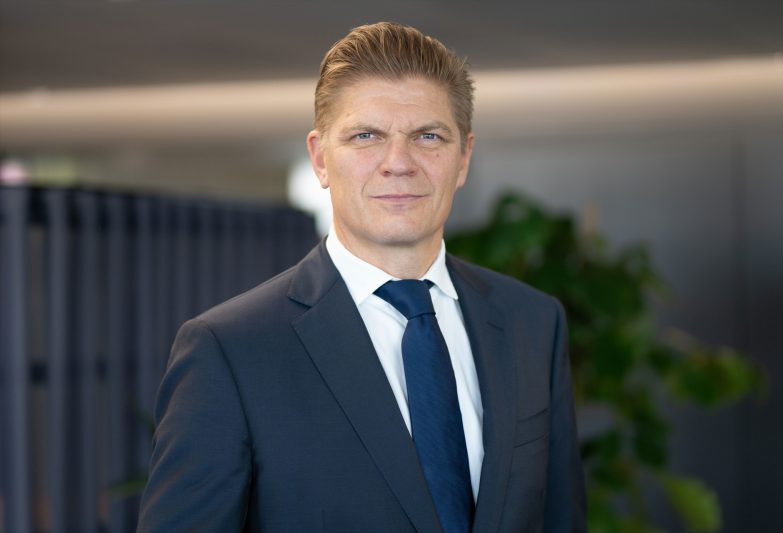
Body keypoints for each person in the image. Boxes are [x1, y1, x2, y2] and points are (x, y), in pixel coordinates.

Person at [137, 22, 585, 533]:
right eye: (366, 136)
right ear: (320, 158)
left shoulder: (532, 322)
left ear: (463, 158)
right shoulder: (231, 349)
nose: (399, 163)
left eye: (428, 136)